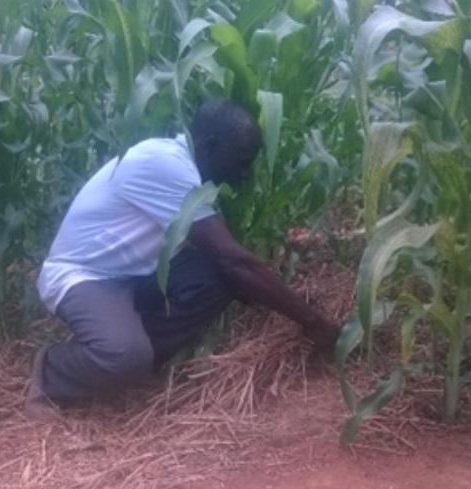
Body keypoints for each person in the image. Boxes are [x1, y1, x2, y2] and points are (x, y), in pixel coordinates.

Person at [29, 100, 339, 410]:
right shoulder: (166, 164)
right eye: (241, 161)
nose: (245, 174)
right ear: (211, 146)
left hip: (136, 272)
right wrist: (311, 320)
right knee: (123, 356)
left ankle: (135, 357)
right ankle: (52, 371)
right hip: (86, 275)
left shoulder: (183, 164)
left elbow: (226, 264)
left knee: (216, 280)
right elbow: (232, 260)